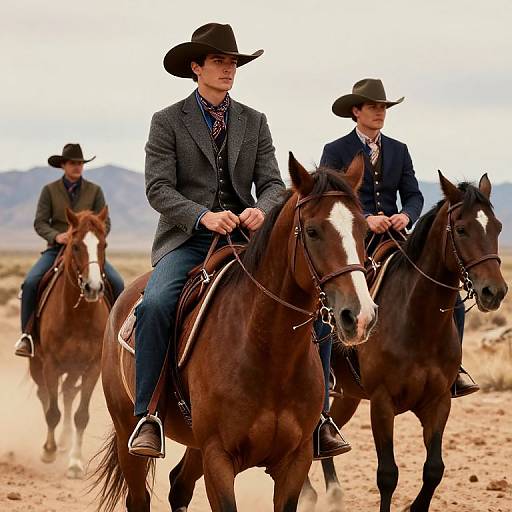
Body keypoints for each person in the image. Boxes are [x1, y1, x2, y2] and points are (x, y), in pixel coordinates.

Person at [129, 23, 349, 459]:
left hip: (250, 239)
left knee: (315, 303)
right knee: (154, 305)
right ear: (196, 67)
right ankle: (148, 415)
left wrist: (262, 209)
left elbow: (271, 181)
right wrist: (203, 216)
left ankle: (320, 418)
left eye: (233, 63)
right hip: (188, 240)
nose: (229, 69)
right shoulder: (167, 121)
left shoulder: (255, 120)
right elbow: (158, 189)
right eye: (219, 62)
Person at [318, 78, 478, 408]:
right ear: (356, 111)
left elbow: (415, 194)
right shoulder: (335, 150)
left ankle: (453, 370)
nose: (380, 113)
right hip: (355, 238)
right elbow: (329, 201)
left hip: (397, 236)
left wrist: (406, 215)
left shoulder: (399, 149)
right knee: (334, 299)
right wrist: (366, 220)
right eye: (373, 107)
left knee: (453, 299)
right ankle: (329, 372)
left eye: (383, 108)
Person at [14, 143, 125, 358]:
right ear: (63, 165)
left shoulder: (95, 191)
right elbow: (40, 222)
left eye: (80, 163)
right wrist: (56, 236)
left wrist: (92, 236)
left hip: (86, 251)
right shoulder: (49, 191)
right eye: (73, 163)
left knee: (117, 282)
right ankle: (27, 336)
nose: (77, 167)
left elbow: (105, 223)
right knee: (30, 283)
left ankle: (116, 335)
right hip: (57, 249)